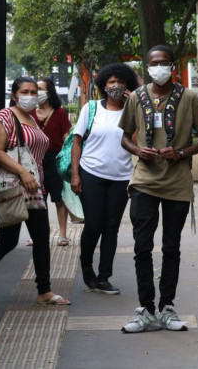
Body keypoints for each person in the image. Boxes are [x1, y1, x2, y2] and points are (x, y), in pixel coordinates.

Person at [118, 45, 198, 333]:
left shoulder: (190, 97)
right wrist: (138, 150)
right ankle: (145, 308)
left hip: (177, 182)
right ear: (147, 66)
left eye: (164, 63)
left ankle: (167, 307)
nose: (159, 67)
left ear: (173, 66)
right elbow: (124, 138)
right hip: (144, 180)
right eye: (153, 63)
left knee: (172, 247)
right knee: (142, 246)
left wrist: (181, 153)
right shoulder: (136, 97)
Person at [0, 77, 70, 306]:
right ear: (14, 95)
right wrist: (23, 173)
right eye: (25, 91)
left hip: (34, 187)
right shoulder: (4, 117)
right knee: (8, 241)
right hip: (14, 186)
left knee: (41, 238)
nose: (31, 95)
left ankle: (45, 292)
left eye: (34, 91)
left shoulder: (31, 118)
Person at [71, 63, 138, 295]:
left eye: (121, 82)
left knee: (112, 228)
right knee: (93, 225)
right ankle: (86, 263)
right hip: (91, 173)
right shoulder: (90, 109)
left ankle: (103, 277)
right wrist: (75, 175)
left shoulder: (133, 110)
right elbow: (77, 142)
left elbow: (138, 144)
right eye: (111, 82)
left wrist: (134, 106)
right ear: (104, 85)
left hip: (121, 177)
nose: (116, 86)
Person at [33, 77, 72, 246]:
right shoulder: (30, 113)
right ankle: (38, 236)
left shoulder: (60, 113)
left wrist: (70, 157)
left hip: (54, 160)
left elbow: (66, 137)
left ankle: (62, 234)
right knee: (37, 200)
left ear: (49, 92)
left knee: (59, 199)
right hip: (35, 160)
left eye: (40, 89)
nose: (37, 93)